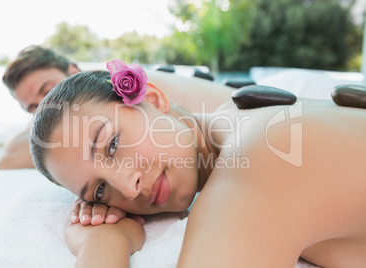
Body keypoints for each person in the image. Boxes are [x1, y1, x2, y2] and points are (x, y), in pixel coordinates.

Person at [30, 60, 366, 267]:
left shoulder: (261, 158)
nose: (127, 187)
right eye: (100, 191)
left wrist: (102, 244)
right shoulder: (245, 115)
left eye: (113, 144)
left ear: (153, 98)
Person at [0, 46, 233, 170]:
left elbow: (9, 156)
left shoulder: (127, 90)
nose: (42, 108)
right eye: (32, 108)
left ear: (73, 73)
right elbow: (6, 161)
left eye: (47, 91)